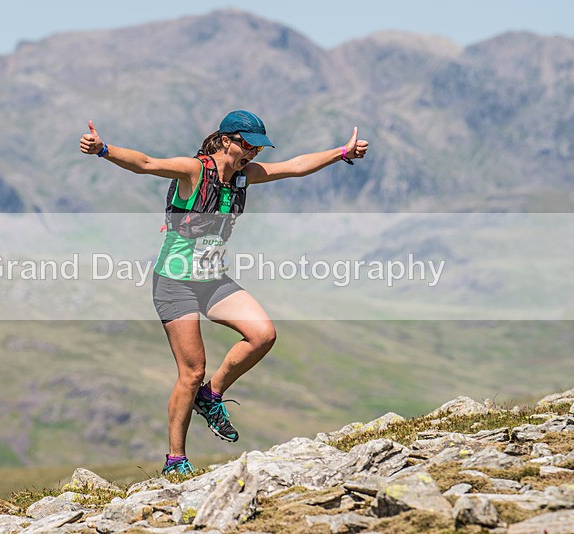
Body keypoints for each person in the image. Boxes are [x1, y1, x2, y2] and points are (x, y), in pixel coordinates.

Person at [80, 110, 369, 475]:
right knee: (191, 370)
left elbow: (295, 165)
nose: (253, 154)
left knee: (263, 334)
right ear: (226, 140)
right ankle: (175, 460)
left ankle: (211, 396)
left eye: (258, 148)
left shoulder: (244, 176)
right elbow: (147, 163)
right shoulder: (194, 169)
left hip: (212, 279)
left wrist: (342, 153)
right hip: (176, 282)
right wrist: (103, 149)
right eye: (247, 145)